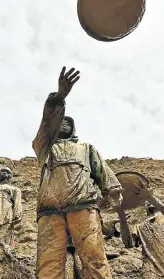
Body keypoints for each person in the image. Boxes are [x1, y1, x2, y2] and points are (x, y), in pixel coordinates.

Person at [32, 67, 123, 279]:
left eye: (68, 122)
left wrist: (112, 189)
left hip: (83, 207)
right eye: (61, 120)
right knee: (48, 263)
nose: (64, 123)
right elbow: (45, 126)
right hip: (49, 211)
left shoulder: (86, 149)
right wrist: (60, 97)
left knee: (94, 258)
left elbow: (102, 170)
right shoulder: (45, 148)